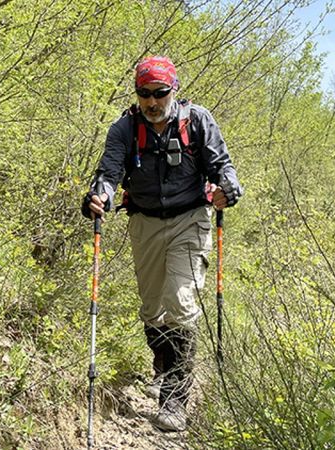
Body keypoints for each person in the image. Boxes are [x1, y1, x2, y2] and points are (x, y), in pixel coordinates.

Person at [81, 56, 243, 432]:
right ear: (137, 93)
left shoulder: (198, 120)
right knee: (152, 307)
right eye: (144, 94)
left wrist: (228, 189)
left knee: (180, 300)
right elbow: (109, 173)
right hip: (145, 222)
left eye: (159, 93)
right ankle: (163, 364)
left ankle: (175, 397)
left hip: (191, 219)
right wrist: (99, 196)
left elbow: (223, 167)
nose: (152, 102)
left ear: (174, 90)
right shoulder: (124, 128)